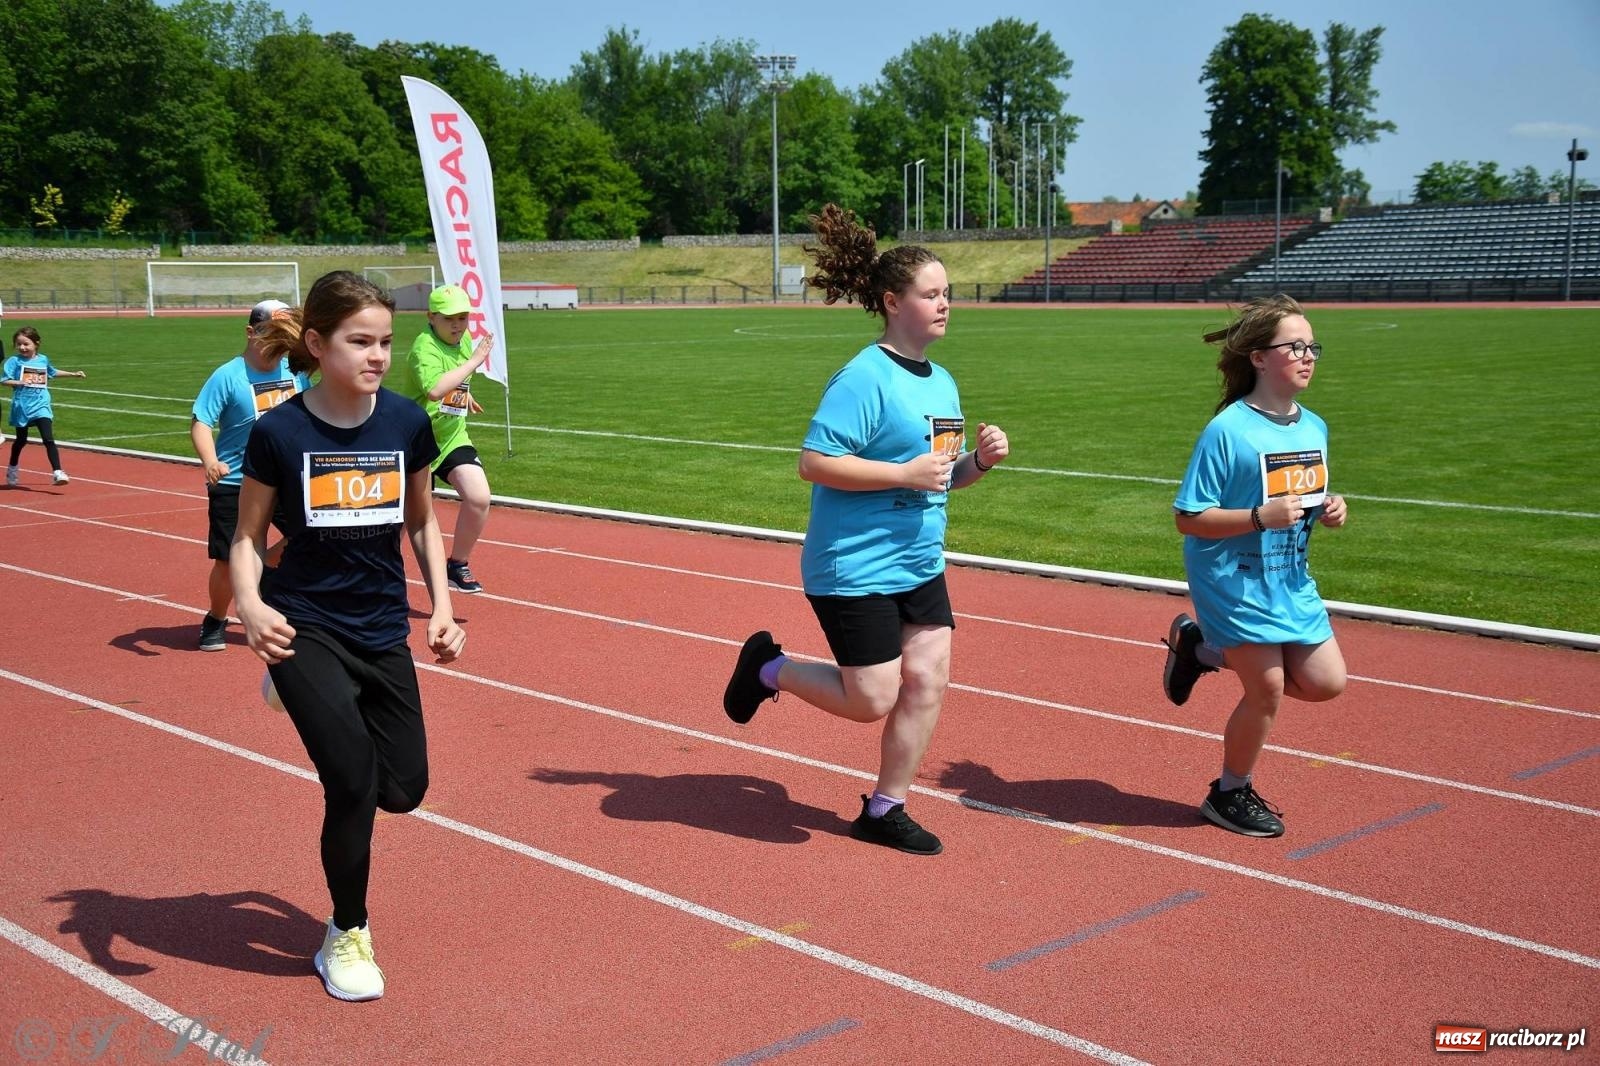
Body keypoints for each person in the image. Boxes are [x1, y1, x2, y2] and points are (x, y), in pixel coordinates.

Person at [722, 204, 1009, 857]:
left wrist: (979, 462)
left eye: (947, 293)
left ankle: (885, 807)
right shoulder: (864, 377)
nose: (945, 303)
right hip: (854, 564)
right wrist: (901, 474)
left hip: (919, 560)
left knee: (928, 679)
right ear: (892, 302)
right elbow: (814, 463)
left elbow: (939, 478)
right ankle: (768, 667)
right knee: (871, 699)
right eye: (930, 294)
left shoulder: (943, 382)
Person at [230, 270, 466, 1002]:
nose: (378, 356)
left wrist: (442, 606)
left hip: (381, 626)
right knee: (353, 783)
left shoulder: (405, 423)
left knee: (403, 789)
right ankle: (347, 931)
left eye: (386, 342)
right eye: (360, 342)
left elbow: (422, 520)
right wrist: (249, 606)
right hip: (303, 622)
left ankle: (292, 690)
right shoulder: (280, 432)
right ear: (317, 343)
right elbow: (247, 537)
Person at [1161, 294, 1348, 838]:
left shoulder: (1314, 427)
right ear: (1260, 358)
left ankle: (1198, 648)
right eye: (1295, 346)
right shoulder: (1228, 431)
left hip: (1288, 577)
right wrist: (1258, 518)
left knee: (1325, 682)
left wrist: (1330, 505)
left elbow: (1301, 496)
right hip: (1232, 577)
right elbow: (1188, 518)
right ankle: (1229, 792)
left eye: (1312, 346)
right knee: (1266, 688)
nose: (1308, 356)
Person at [189, 300, 311, 651]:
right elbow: (201, 422)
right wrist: (210, 461)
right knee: (229, 560)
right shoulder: (228, 375)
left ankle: (265, 565)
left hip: (285, 477)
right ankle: (216, 618)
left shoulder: (295, 370)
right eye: (272, 332)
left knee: (313, 532)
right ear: (250, 332)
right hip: (235, 481)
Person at [395, 284, 495, 595]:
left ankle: (457, 564)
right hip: (417, 440)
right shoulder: (423, 348)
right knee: (405, 518)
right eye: (449, 319)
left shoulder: (463, 339)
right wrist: (475, 360)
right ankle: (378, 570)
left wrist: (466, 395)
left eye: (462, 318)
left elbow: (455, 378)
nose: (457, 325)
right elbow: (435, 390)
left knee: (479, 497)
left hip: (451, 436)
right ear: (431, 317)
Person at [4, 327, 87, 487]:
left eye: (26, 344)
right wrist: (19, 382)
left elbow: (52, 372)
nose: (22, 347)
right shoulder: (14, 361)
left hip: (41, 405)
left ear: (36, 343)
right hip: (22, 406)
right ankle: (13, 467)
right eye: (19, 344)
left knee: (48, 439)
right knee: (21, 441)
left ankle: (58, 472)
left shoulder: (43, 359)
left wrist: (72, 374)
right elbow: (4, 380)